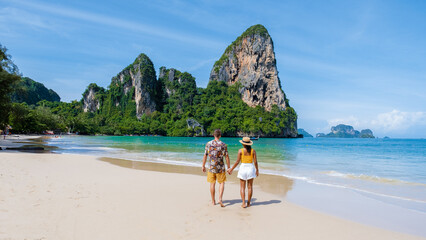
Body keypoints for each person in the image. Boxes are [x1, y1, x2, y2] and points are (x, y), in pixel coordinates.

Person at [227, 137, 259, 208]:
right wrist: (257, 170)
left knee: (242, 187)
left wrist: (231, 169)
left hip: (243, 168)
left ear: (243, 144)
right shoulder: (253, 151)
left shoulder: (240, 151)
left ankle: (243, 203)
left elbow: (237, 162)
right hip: (251, 168)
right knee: (250, 187)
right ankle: (249, 203)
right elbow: (255, 162)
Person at [202, 129, 230, 207]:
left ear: (214, 135)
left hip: (211, 167)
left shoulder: (208, 144)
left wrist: (203, 165)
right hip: (220, 167)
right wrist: (229, 167)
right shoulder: (223, 145)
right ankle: (220, 199)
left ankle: (213, 201)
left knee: (212, 183)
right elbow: (226, 156)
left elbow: (205, 155)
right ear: (220, 135)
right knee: (221, 183)